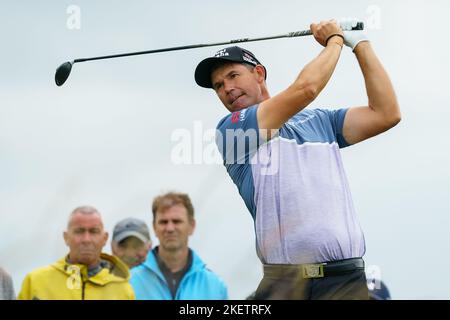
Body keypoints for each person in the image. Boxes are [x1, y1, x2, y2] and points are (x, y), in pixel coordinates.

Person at [194, 19, 401, 300]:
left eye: (232, 75)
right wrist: (336, 40)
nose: (226, 88)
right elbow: (307, 89)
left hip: (344, 281)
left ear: (258, 73)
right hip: (285, 284)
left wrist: (361, 45)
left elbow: (386, 113)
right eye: (218, 85)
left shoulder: (321, 121)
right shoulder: (231, 129)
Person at [18, 206, 135, 300]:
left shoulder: (122, 290)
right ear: (66, 237)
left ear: (104, 238)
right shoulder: (36, 282)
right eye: (79, 231)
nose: (86, 239)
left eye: (94, 231)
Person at [130, 192, 228, 299]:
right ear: (154, 227)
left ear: (192, 226)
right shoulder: (130, 282)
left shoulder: (215, 287)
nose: (170, 228)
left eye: (176, 221)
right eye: (163, 222)